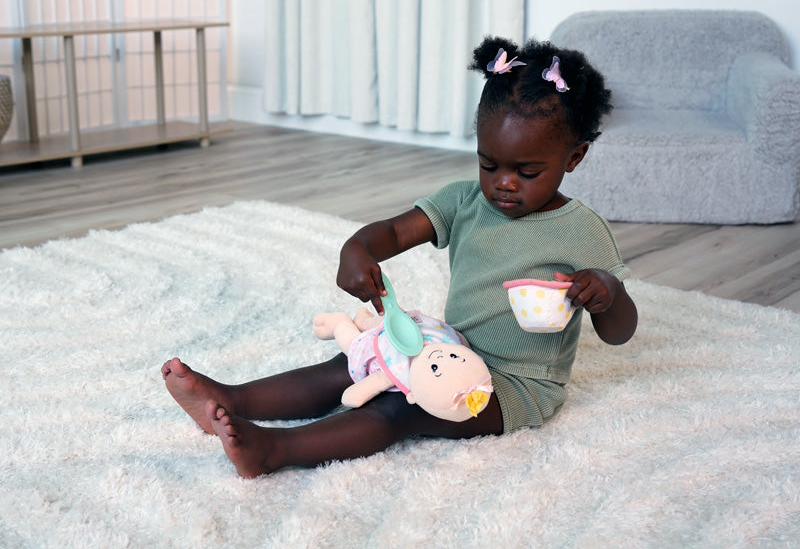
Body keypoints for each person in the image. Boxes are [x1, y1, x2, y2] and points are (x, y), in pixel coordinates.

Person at [161, 36, 638, 478]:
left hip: (515, 388)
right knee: (355, 361)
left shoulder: (581, 231)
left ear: (573, 157)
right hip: (451, 346)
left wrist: (607, 293)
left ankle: (275, 451)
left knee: (400, 408)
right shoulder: (467, 200)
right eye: (488, 163)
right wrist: (358, 249)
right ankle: (232, 398)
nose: (503, 183)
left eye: (527, 171)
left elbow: (619, 333)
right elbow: (393, 231)